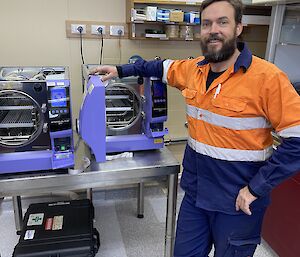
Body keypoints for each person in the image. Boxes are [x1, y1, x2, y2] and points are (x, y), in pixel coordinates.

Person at [90, 0, 300, 256]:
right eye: (207, 23)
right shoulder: (194, 69)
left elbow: (297, 139)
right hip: (196, 194)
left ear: (238, 28)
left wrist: (256, 188)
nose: (214, 30)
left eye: (223, 22)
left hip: (237, 202)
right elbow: (159, 66)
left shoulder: (268, 78)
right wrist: (121, 69)